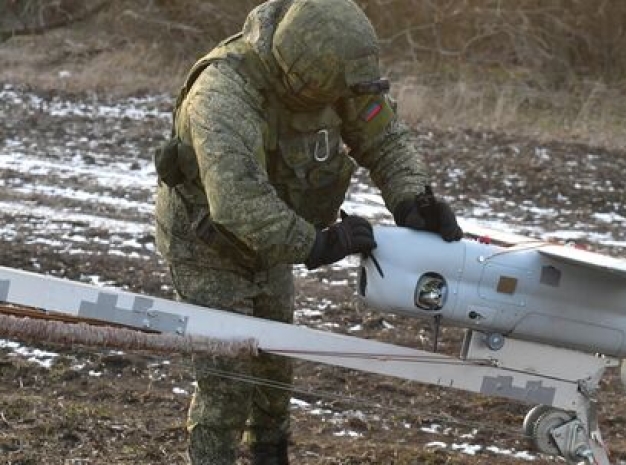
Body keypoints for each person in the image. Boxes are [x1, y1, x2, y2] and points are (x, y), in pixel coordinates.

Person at [152, 0, 463, 463]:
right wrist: (321, 243)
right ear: (302, 77)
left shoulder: (333, 74)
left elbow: (385, 136)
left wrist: (412, 198)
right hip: (207, 247)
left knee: (274, 375)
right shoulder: (222, 94)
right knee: (228, 387)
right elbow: (237, 201)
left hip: (271, 249)